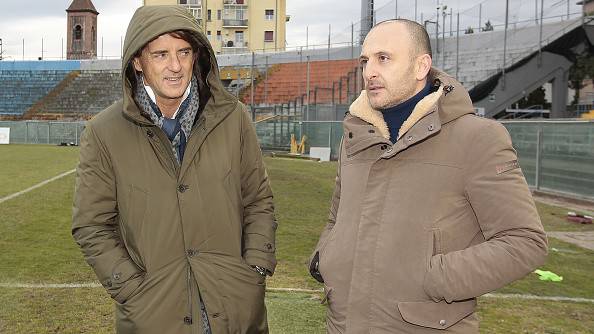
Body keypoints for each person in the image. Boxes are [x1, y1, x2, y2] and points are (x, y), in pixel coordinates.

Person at [309, 19, 548, 333]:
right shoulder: (354, 136)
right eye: (365, 60)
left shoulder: (478, 138)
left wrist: (434, 277)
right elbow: (336, 216)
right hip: (342, 323)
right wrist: (325, 257)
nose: (369, 71)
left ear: (421, 65)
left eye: (384, 58)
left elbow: (525, 242)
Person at [72, 6, 276, 334]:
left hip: (236, 310)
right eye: (161, 54)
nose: (175, 66)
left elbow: (258, 201)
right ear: (137, 62)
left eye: (184, 52)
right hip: (154, 317)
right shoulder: (103, 133)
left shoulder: (233, 117)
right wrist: (133, 291)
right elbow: (91, 226)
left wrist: (254, 268)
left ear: (197, 56)